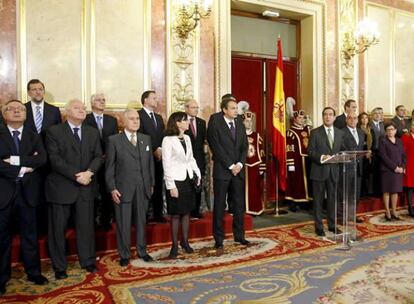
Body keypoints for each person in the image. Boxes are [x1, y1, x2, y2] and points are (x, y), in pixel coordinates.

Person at [45, 99, 103, 279]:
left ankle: (88, 261)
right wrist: (78, 175)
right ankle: (60, 266)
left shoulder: (92, 132)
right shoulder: (54, 131)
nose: (82, 110)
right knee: (58, 229)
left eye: (83, 108)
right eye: (77, 108)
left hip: (86, 186)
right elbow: (55, 160)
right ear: (67, 111)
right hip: (62, 187)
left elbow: (98, 156)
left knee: (86, 227)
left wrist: (89, 173)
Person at [0, 100, 48, 295]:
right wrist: (24, 168)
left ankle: (33, 272)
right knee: (2, 238)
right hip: (3, 193)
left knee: (30, 235)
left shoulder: (32, 134)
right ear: (4, 114)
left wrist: (13, 161)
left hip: (28, 193)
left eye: (21, 109)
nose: (18, 112)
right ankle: (2, 277)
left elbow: (41, 159)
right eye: (13, 109)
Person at [105, 109, 155, 266]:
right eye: (132, 119)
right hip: (122, 189)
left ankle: (142, 251)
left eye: (138, 119)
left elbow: (150, 164)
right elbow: (109, 167)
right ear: (123, 122)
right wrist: (112, 188)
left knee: (141, 221)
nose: (136, 121)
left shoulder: (145, 139)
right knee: (123, 223)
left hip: (143, 188)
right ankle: (124, 254)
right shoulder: (114, 140)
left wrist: (151, 183)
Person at [207, 94, 249, 249]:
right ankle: (218, 238)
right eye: (232, 108)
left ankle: (240, 236)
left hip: (238, 170)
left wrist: (239, 163)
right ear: (224, 110)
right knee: (219, 205)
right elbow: (215, 146)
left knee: (238, 204)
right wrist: (230, 166)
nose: (236, 111)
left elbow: (244, 145)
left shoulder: (239, 121)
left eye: (236, 108)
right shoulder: (215, 121)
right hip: (223, 171)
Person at [24, 79, 62, 235]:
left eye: (40, 89)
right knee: (32, 195)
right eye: (34, 89)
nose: (37, 92)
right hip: (29, 159)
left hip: (49, 160)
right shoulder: (23, 108)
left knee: (48, 194)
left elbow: (59, 134)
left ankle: (47, 228)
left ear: (43, 91)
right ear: (29, 92)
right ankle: (32, 227)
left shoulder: (54, 111)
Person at [162, 112, 200, 258]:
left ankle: (185, 242)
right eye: (185, 120)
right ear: (177, 123)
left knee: (186, 212)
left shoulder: (188, 138)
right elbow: (167, 163)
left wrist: (197, 174)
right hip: (176, 180)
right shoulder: (168, 140)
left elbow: (190, 159)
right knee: (176, 214)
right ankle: (174, 245)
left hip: (188, 179)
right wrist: (171, 185)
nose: (188, 123)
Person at [308, 107, 344, 236]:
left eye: (330, 115)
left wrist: (342, 156)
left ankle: (332, 225)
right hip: (319, 171)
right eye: (325, 115)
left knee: (332, 200)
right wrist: (322, 157)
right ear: (323, 117)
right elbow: (310, 152)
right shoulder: (315, 133)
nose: (328, 117)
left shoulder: (340, 133)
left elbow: (342, 151)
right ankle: (319, 227)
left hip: (334, 172)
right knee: (317, 201)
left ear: (334, 117)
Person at [84, 93, 119, 230]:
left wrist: (108, 155)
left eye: (104, 100)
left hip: (108, 161)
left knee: (106, 192)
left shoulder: (112, 120)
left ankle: (105, 221)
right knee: (90, 192)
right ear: (92, 103)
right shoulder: (85, 119)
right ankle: (90, 222)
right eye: (99, 100)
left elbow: (115, 140)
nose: (102, 102)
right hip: (90, 162)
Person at [138, 90, 166, 223]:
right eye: (154, 98)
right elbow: (140, 136)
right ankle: (145, 214)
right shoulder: (138, 115)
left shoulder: (159, 118)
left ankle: (158, 214)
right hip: (145, 157)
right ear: (145, 100)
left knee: (158, 185)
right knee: (146, 185)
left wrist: (160, 149)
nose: (156, 100)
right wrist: (153, 149)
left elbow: (162, 136)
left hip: (159, 157)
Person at [341, 113, 369, 223]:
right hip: (346, 167)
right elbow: (341, 149)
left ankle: (353, 215)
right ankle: (343, 216)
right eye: (350, 118)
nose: (352, 120)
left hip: (358, 167)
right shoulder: (341, 132)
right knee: (346, 193)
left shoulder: (361, 132)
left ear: (357, 120)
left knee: (356, 193)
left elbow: (361, 148)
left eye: (354, 118)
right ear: (346, 120)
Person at [378, 122, 406, 221]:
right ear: (386, 131)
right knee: (387, 191)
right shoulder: (383, 141)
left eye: (392, 129)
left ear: (395, 130)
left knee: (395, 191)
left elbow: (403, 154)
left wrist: (402, 167)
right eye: (388, 129)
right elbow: (383, 156)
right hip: (387, 170)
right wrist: (395, 167)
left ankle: (394, 211)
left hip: (398, 170)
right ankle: (387, 212)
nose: (390, 131)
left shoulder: (399, 140)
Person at [184, 100, 206, 219]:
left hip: (199, 159)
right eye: (193, 107)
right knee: (187, 186)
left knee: (198, 184)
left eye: (197, 107)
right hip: (186, 160)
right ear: (186, 108)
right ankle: (188, 211)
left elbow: (202, 141)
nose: (196, 110)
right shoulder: (182, 121)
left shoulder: (202, 122)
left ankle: (196, 211)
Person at [285, 110, 312, 209]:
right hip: (297, 161)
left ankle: (306, 201)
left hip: (308, 159)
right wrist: (290, 163)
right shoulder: (290, 132)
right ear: (295, 119)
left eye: (302, 118)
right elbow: (289, 148)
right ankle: (294, 201)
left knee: (308, 181)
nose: (301, 120)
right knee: (296, 181)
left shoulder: (307, 130)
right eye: (299, 118)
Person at [242, 109, 266, 215]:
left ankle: (255, 209)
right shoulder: (239, 135)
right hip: (243, 166)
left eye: (250, 121)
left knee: (255, 188)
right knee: (241, 188)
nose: (249, 123)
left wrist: (262, 167)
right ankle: (243, 209)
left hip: (254, 165)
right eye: (246, 121)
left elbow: (261, 152)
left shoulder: (257, 136)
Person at [358, 112, 375, 197]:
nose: (364, 120)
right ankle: (362, 193)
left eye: (366, 118)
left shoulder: (371, 130)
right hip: (362, 155)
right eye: (362, 118)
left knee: (369, 174)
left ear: (368, 120)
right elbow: (360, 144)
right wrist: (365, 152)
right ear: (360, 120)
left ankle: (369, 192)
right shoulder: (358, 130)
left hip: (370, 155)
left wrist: (370, 151)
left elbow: (374, 142)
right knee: (362, 174)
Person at [369, 107, 385, 197]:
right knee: (373, 173)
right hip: (373, 152)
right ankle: (373, 192)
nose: (378, 115)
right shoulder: (370, 125)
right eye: (376, 113)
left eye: (380, 113)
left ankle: (379, 190)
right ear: (372, 115)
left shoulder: (382, 125)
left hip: (382, 152)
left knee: (380, 172)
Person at [402, 123, 414, 217]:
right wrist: (403, 166)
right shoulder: (405, 137)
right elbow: (402, 153)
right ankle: (410, 208)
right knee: (410, 187)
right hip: (409, 165)